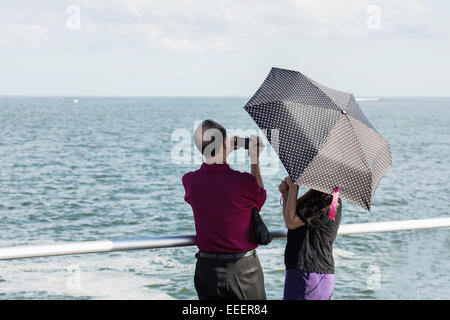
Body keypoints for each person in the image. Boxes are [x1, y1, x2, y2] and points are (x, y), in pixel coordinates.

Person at [182, 119, 267, 300]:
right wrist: (254, 161)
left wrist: (223, 149)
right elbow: (259, 198)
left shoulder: (190, 182)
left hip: (206, 270)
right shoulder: (243, 182)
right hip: (242, 270)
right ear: (224, 143)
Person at [278, 177, 342, 300]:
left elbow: (291, 222)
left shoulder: (325, 199)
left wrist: (294, 187)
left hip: (308, 274)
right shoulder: (331, 194)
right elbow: (292, 215)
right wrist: (287, 193)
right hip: (316, 272)